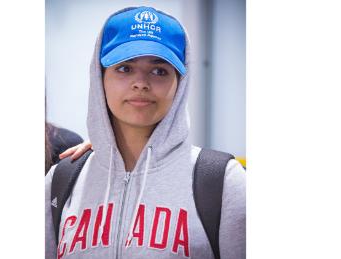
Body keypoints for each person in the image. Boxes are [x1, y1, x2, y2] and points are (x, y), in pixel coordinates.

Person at [45, 6, 245, 259]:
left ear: (180, 83)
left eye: (159, 70)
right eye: (124, 68)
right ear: (100, 77)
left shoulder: (223, 181)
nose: (141, 83)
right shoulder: (61, 179)